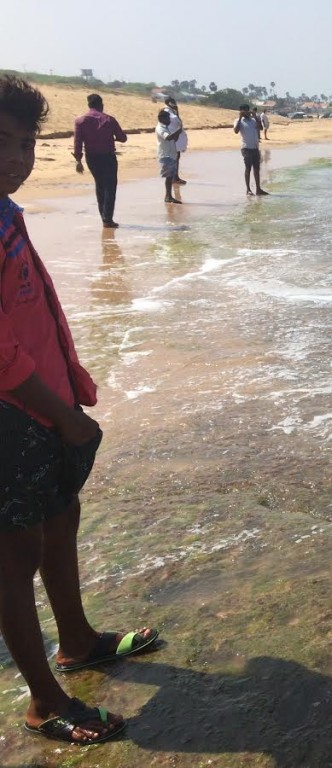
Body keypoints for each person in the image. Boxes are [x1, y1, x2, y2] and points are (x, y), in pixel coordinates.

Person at [0, 75, 159, 746]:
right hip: (12, 415)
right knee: (14, 554)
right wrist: (58, 414)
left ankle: (78, 640)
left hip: (47, 402)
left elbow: (32, 314)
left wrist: (72, 386)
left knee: (62, 519)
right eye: (4, 143)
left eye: (27, 143)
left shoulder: (6, 211)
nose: (17, 158)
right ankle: (43, 700)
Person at [72, 94, 126, 229]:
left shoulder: (80, 121)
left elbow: (77, 142)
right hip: (108, 157)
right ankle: (107, 218)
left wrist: (78, 160)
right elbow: (122, 138)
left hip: (91, 158)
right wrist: (111, 137)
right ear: (101, 104)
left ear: (89, 105)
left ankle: (104, 216)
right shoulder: (109, 119)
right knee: (110, 186)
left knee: (100, 184)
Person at [233, 104, 268, 196]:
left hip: (255, 147)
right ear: (241, 111)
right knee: (248, 168)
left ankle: (258, 189)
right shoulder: (238, 121)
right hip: (246, 148)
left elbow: (260, 128)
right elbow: (236, 131)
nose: (247, 112)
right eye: (245, 111)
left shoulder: (253, 120)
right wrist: (240, 118)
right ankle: (248, 189)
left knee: (257, 168)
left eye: (248, 110)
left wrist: (255, 117)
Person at [156, 110, 183, 204]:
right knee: (168, 176)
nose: (169, 120)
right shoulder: (160, 128)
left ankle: (169, 196)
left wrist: (178, 133)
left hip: (170, 154)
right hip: (166, 154)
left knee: (170, 176)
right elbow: (168, 137)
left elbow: (173, 139)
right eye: (167, 118)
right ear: (162, 118)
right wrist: (178, 131)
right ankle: (168, 196)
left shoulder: (166, 128)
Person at [161, 97, 188, 185]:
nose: (175, 104)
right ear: (169, 103)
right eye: (173, 102)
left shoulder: (173, 112)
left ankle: (175, 177)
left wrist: (177, 111)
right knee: (174, 158)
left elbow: (178, 121)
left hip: (175, 138)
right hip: (171, 137)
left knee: (177, 157)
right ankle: (174, 178)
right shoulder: (167, 112)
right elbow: (175, 123)